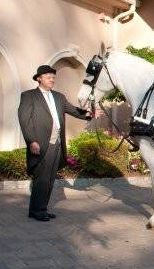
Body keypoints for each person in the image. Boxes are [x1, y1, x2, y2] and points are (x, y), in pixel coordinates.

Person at [17, 64, 100, 222]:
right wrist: (31, 141)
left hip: (57, 143)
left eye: (53, 77)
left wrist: (91, 114)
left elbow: (74, 110)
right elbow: (24, 120)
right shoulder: (28, 96)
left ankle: (42, 209)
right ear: (39, 78)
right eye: (48, 77)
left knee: (49, 178)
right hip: (41, 143)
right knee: (41, 178)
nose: (51, 79)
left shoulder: (59, 97)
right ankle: (36, 211)